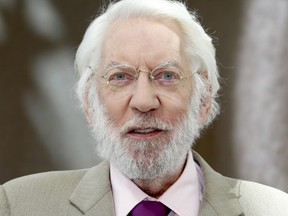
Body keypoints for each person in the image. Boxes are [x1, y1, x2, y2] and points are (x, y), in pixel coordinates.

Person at [1, 0, 288, 215]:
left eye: (166, 76)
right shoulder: (18, 205)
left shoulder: (274, 210)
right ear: (89, 102)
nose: (143, 101)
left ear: (203, 100)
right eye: (120, 77)